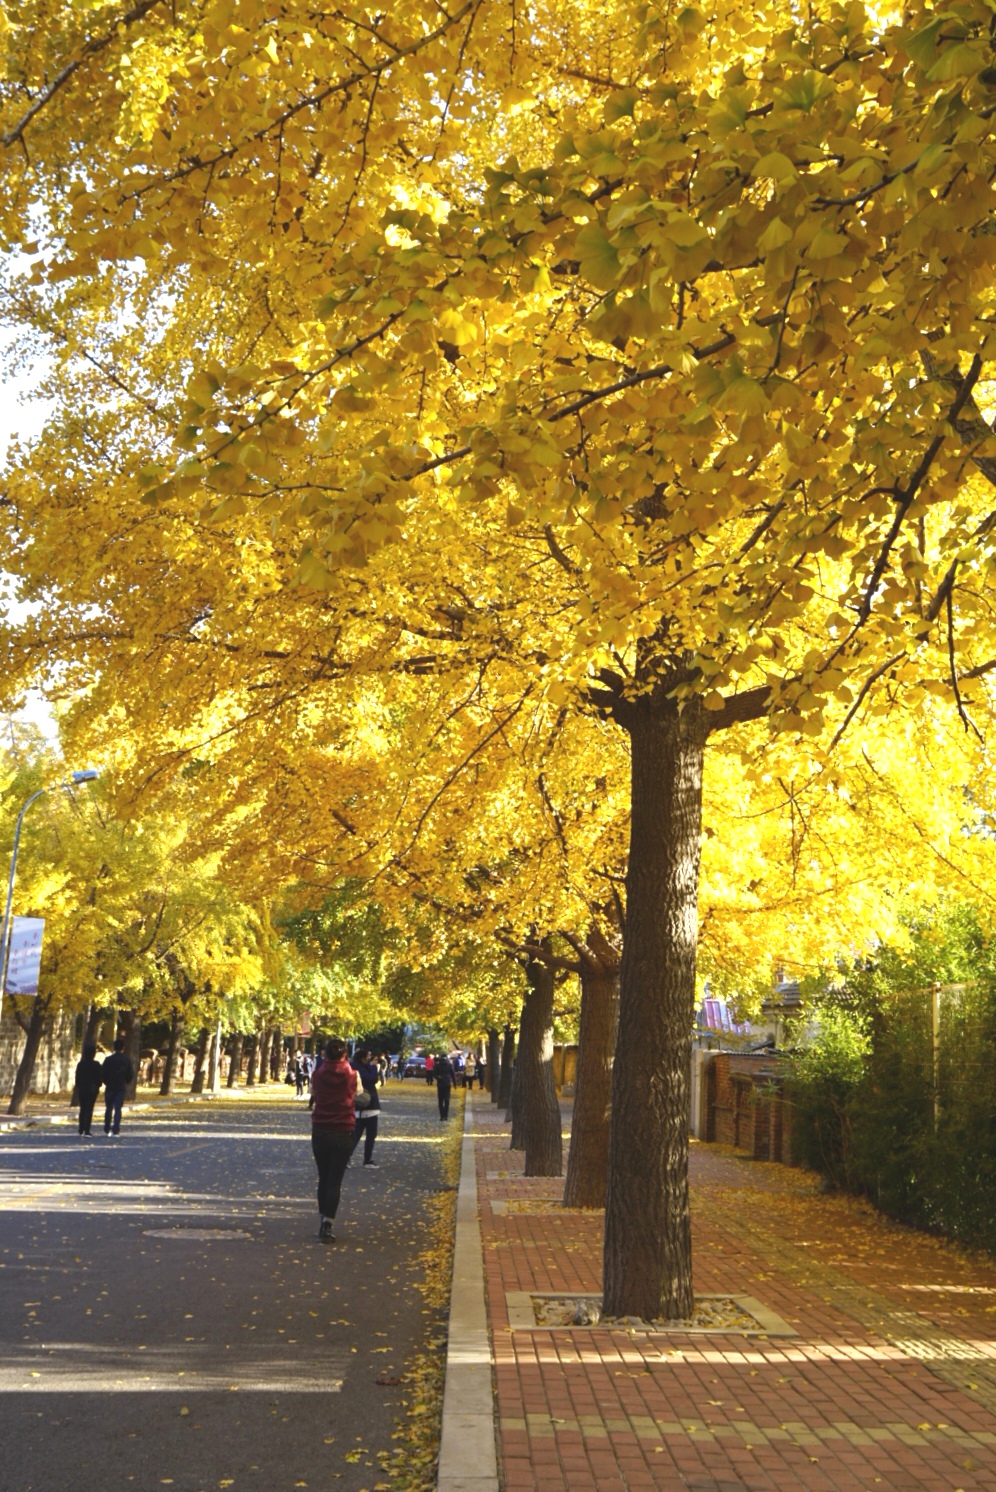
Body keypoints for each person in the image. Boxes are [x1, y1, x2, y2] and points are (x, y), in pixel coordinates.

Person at [310, 1037, 357, 1242]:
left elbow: (314, 1094)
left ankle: (322, 1219)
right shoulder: (352, 1075)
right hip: (344, 1130)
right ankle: (328, 1223)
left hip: (321, 1129)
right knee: (335, 1181)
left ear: (325, 1054)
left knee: (323, 1176)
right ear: (345, 1055)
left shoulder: (317, 1075)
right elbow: (359, 1094)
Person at [350, 1048, 381, 1167]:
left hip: (359, 1107)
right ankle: (367, 1160)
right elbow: (372, 1079)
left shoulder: (353, 1067)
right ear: (362, 1059)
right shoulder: (359, 1069)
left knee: (357, 1134)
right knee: (369, 1134)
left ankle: (348, 1157)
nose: (369, 1060)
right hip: (368, 1105)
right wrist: (373, 1067)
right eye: (367, 1058)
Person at [102, 1035, 134, 1137]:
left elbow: (103, 1073)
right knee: (118, 1108)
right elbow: (130, 1075)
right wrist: (125, 1082)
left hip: (110, 1086)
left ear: (114, 1048)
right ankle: (116, 1128)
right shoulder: (126, 1060)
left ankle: (107, 1128)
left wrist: (106, 1082)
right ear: (123, 1048)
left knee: (108, 1108)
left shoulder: (108, 1060)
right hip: (121, 1086)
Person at [74, 1041, 103, 1137]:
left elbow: (77, 1078)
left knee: (82, 1108)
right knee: (89, 1109)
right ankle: (87, 1129)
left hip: (82, 1088)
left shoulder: (80, 1064)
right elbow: (99, 1078)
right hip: (92, 1089)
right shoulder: (96, 1064)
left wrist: (79, 1085)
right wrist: (98, 1085)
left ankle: (81, 1128)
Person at [434, 1051, 454, 1120]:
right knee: (447, 1100)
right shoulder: (449, 1065)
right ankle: (446, 1115)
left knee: (440, 1100)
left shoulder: (437, 1065)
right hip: (447, 1084)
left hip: (440, 1084)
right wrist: (454, 1083)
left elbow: (434, 1074)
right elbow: (453, 1074)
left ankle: (442, 1115)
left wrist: (438, 1077)